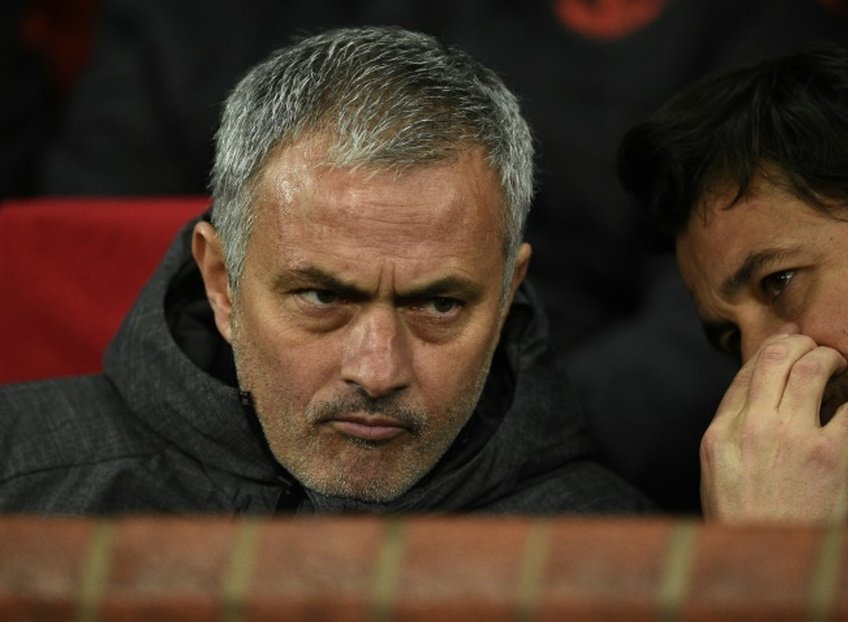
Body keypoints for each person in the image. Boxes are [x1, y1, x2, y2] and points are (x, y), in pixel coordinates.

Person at [0, 26, 652, 514]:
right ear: (222, 282)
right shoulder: (19, 477)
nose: (376, 371)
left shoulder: (619, 561)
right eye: (321, 295)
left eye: (439, 305)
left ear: (509, 293)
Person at [618, 37, 848, 522]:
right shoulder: (829, 492)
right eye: (730, 336)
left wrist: (773, 559)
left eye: (779, 281)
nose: (758, 358)